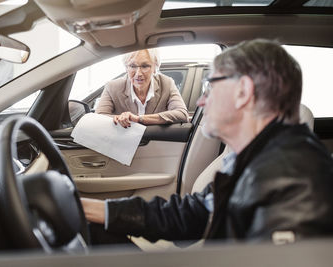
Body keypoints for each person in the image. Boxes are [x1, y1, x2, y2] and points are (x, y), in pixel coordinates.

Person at [82, 39, 333, 245]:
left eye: (209, 86)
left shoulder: (293, 178)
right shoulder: (252, 158)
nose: (201, 102)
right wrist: (94, 209)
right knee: (91, 230)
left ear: (243, 92)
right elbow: (192, 213)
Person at [95, 48, 189, 127]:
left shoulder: (167, 83)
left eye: (145, 66)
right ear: (126, 67)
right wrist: (119, 118)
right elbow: (98, 119)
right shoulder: (112, 87)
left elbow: (182, 114)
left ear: (155, 67)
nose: (138, 73)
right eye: (132, 66)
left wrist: (139, 119)